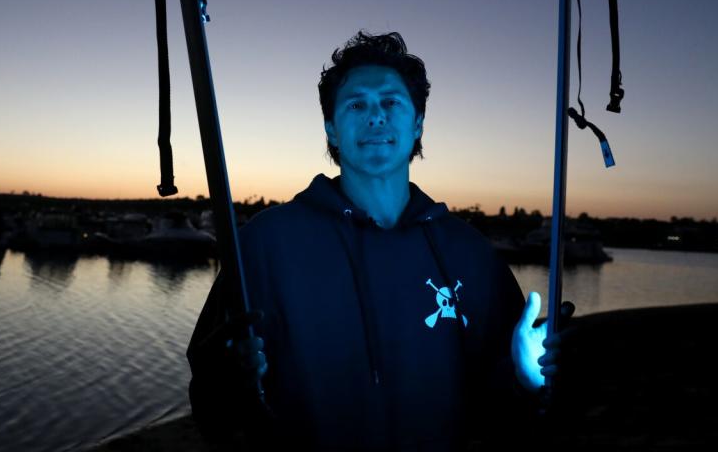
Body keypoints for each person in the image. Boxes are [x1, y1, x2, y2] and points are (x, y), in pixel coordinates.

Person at [187, 31, 572, 450]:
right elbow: (211, 400)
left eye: (391, 102)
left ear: (418, 124)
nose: (375, 117)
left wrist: (524, 377)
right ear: (331, 129)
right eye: (356, 104)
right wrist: (223, 378)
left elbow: (501, 410)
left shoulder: (471, 254)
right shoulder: (265, 244)